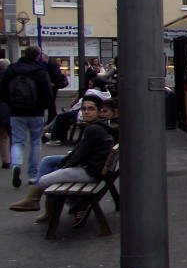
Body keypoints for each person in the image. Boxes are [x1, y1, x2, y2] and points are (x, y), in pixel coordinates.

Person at [9, 92, 113, 221]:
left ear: (99, 111)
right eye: (84, 109)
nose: (86, 112)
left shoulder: (95, 130)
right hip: (91, 166)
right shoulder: (96, 126)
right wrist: (63, 163)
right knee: (48, 161)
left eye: (91, 109)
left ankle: (49, 207)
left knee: (44, 180)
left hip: (90, 171)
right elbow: (78, 152)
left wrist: (62, 166)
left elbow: (79, 154)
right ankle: (33, 200)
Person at [0, 45, 54, 188]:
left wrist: (11, 103)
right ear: (37, 56)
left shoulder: (11, 70)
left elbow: (2, 90)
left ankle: (16, 164)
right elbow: (48, 94)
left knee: (18, 141)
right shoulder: (40, 71)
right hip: (36, 112)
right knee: (35, 143)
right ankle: (32, 174)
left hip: (16, 111)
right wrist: (43, 106)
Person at [43, 74, 111, 144]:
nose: (90, 86)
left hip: (83, 113)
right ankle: (53, 133)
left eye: (91, 84)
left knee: (61, 116)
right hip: (96, 114)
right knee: (65, 116)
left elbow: (81, 104)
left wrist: (73, 108)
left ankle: (55, 138)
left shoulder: (91, 92)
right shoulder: (107, 93)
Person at [0, 58, 10, 168]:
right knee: (15, 137)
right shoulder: (11, 78)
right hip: (11, 110)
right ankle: (15, 159)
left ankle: (6, 160)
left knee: (2, 136)